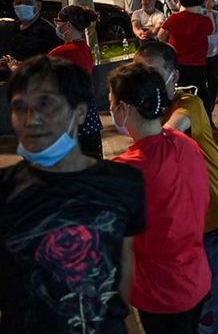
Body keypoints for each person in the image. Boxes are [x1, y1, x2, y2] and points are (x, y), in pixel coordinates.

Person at [0, 56, 145, 333]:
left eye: (45, 103)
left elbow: (123, 266)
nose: (31, 119)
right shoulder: (5, 189)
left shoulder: (124, 182)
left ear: (79, 113)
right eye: (19, 107)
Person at [134, 42, 218, 334]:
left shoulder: (188, 105)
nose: (146, 81)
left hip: (214, 223)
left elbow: (169, 132)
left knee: (210, 314)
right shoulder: (148, 115)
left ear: (174, 76)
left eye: (153, 73)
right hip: (181, 229)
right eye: (139, 73)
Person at [109, 63, 211, 334]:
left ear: (124, 108)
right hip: (196, 278)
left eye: (111, 102)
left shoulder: (126, 169)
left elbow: (121, 249)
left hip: (160, 293)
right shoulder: (184, 143)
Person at [49, 5, 104, 158]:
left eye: (57, 22)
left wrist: (14, 66)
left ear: (67, 25)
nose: (56, 25)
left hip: (72, 116)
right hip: (89, 115)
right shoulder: (84, 48)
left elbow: (36, 71)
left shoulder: (63, 52)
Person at [157, 0, 214, 106]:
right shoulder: (204, 20)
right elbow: (211, 30)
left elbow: (160, 36)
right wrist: (209, 10)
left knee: (178, 95)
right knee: (200, 96)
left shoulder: (174, 18)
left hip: (177, 64)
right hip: (198, 65)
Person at [0, 0, 59, 76]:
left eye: (28, 3)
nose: (22, 6)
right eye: (18, 2)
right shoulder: (11, 28)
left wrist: (16, 66)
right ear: (13, 4)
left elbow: (49, 67)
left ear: (38, 5)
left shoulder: (48, 32)